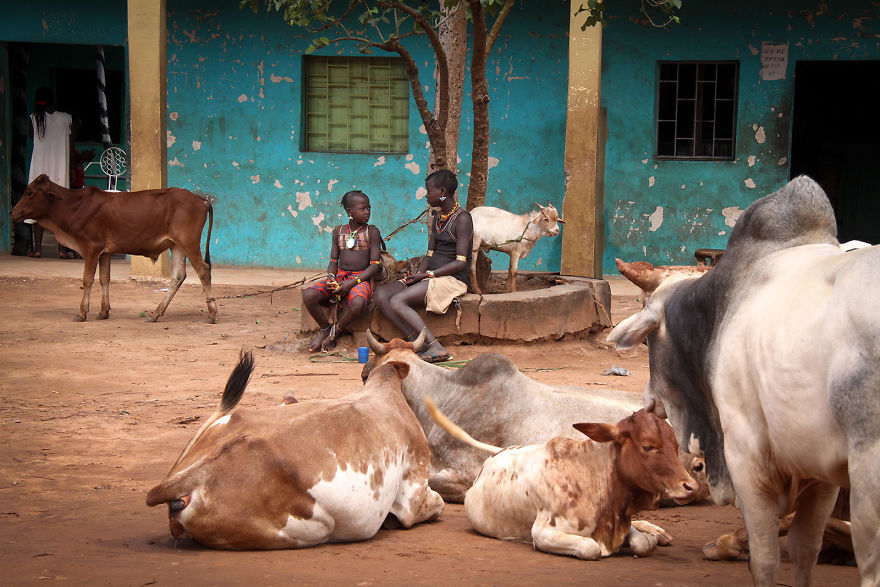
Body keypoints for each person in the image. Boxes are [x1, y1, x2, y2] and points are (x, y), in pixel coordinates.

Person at [373, 169, 473, 363]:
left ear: (442, 192)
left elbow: (460, 262)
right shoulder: (438, 218)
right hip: (430, 276)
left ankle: (436, 347)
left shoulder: (462, 219)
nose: (427, 195)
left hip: (452, 280)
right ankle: (415, 342)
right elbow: (430, 255)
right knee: (381, 295)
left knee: (397, 300)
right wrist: (417, 274)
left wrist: (427, 275)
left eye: (429, 191)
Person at [303, 190, 383, 352]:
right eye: (362, 208)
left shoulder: (371, 232)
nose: (367, 212)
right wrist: (330, 277)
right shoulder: (338, 231)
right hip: (340, 276)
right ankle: (325, 329)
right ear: (349, 211)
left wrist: (352, 283)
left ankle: (336, 332)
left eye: (369, 208)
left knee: (358, 303)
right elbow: (333, 261)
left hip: (360, 278)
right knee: (309, 295)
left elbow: (374, 266)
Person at [26, 86, 73, 258]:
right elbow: (71, 143)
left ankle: (38, 249)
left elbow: (32, 138)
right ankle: (62, 250)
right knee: (61, 209)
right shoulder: (66, 118)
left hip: (39, 170)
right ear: (53, 100)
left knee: (38, 208)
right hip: (60, 169)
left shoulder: (33, 119)